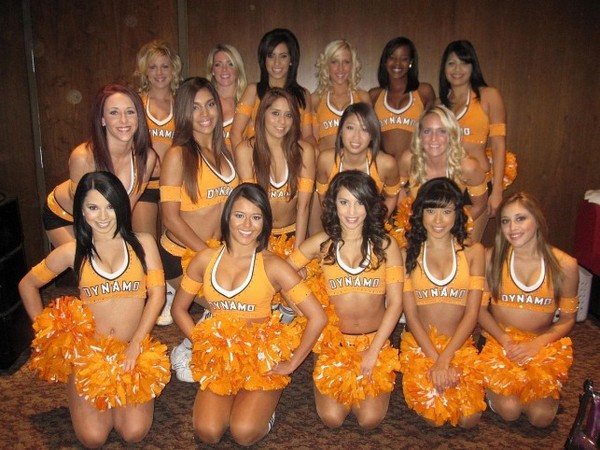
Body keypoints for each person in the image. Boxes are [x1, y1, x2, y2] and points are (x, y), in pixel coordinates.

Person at [19, 171, 169, 448]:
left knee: (133, 432)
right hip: (90, 354)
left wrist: (136, 343)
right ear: (82, 212)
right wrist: (50, 334)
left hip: (131, 349)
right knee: (93, 438)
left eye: (110, 206)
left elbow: (158, 296)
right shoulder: (72, 251)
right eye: (93, 207)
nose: (102, 216)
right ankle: (78, 384)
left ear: (121, 206)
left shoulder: (143, 243)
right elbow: (27, 285)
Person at [171, 183, 327, 446]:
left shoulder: (274, 265)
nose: (247, 225)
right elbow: (178, 309)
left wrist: (291, 364)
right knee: (207, 432)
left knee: (243, 433)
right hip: (222, 359)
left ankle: (265, 414)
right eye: (239, 215)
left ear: (265, 222)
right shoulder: (205, 259)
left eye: (256, 217)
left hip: (263, 360)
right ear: (227, 216)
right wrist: (203, 342)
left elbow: (317, 317)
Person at [287, 170, 403, 428]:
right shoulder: (322, 244)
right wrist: (303, 310)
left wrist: (373, 352)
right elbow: (283, 271)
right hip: (333, 345)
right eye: (344, 202)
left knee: (369, 420)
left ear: (370, 205)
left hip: (374, 342)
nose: (352, 211)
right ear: (333, 205)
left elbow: (396, 303)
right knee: (332, 418)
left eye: (359, 202)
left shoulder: (386, 246)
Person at [478, 192, 579, 427]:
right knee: (510, 411)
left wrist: (536, 345)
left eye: (521, 218)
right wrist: (504, 340)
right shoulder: (491, 259)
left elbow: (567, 318)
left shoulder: (565, 265)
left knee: (541, 418)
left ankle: (540, 386)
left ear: (537, 220)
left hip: (540, 346)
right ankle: (493, 386)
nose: (512, 228)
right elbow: (480, 311)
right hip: (500, 345)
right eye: (505, 221)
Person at [160, 76, 239, 365]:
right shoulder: (177, 155)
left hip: (217, 252)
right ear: (184, 112)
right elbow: (170, 218)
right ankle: (186, 348)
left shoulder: (226, 151)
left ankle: (207, 319)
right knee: (232, 306)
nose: (205, 114)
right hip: (181, 255)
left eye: (210, 105)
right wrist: (207, 255)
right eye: (195, 107)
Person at [400, 177, 485, 428]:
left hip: (459, 346)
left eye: (446, 212)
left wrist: (445, 360)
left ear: (458, 214)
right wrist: (435, 359)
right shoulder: (407, 253)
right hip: (421, 347)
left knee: (469, 420)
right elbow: (411, 316)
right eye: (431, 211)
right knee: (434, 419)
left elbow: (472, 314)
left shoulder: (474, 252)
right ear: (420, 213)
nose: (438, 220)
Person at [43, 84, 157, 248]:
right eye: (114, 112)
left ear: (139, 117)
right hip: (66, 216)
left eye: (130, 112)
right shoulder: (83, 157)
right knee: (88, 262)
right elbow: (83, 213)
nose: (124, 120)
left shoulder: (147, 158)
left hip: (102, 218)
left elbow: (126, 209)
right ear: (102, 119)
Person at [439, 40, 507, 240]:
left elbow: (499, 144)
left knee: (467, 248)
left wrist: (497, 191)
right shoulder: (439, 104)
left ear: (473, 66)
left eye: (464, 63)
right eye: (451, 63)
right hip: (445, 186)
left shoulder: (489, 96)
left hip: (477, 187)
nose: (457, 69)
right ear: (444, 68)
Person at [235, 88, 315, 248]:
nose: (282, 121)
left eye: (288, 115)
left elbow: (303, 207)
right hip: (258, 235)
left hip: (294, 235)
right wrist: (265, 248)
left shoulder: (305, 151)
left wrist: (297, 253)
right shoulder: (245, 151)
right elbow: (252, 206)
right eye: (275, 113)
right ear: (263, 114)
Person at [397, 105, 488, 231]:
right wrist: (410, 218)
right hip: (418, 227)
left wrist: (451, 227)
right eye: (427, 131)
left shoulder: (468, 167)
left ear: (452, 135)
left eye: (442, 131)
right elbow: (396, 188)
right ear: (419, 136)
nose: (434, 138)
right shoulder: (408, 159)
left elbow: (479, 205)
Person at [230, 28, 314, 151]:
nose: (276, 63)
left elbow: (308, 136)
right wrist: (245, 160)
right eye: (271, 56)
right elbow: (235, 133)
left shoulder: (303, 95)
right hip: (256, 158)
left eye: (283, 56)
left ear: (291, 60)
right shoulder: (253, 91)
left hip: (292, 159)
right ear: (264, 60)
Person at [133, 40, 183, 240]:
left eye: (165, 66)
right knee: (145, 244)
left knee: (173, 245)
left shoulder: (182, 103)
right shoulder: (135, 102)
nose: (159, 73)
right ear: (145, 71)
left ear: (174, 69)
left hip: (175, 184)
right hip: (144, 184)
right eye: (153, 67)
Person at [316, 103, 400, 221]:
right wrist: (335, 222)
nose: (356, 137)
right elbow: (323, 197)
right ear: (341, 130)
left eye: (364, 129)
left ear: (372, 134)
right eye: (350, 128)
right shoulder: (326, 160)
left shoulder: (386, 164)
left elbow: (392, 195)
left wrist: (377, 223)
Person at [369, 37, 435, 163]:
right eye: (392, 57)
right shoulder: (374, 95)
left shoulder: (424, 92)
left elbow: (432, 132)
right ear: (385, 61)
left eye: (404, 59)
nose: (397, 63)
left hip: (414, 166)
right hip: (384, 168)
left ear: (411, 62)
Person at [312, 39, 371, 153]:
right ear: (326, 65)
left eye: (346, 62)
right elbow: (312, 142)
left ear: (352, 65)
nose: (340, 68)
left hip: (354, 162)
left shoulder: (363, 98)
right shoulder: (316, 99)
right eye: (334, 62)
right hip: (326, 162)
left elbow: (370, 137)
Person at [206, 44, 248, 150]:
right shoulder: (202, 102)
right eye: (218, 65)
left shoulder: (249, 102)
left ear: (238, 68)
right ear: (212, 70)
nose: (224, 69)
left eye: (230, 64)